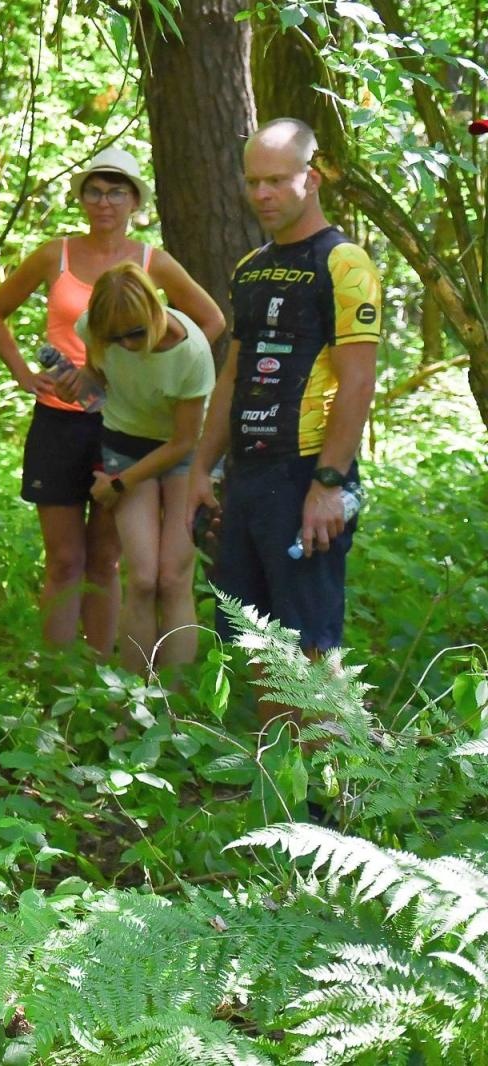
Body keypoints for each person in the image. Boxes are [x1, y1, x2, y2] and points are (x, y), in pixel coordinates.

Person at [0, 146, 225, 656]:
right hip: (62, 420)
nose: (104, 201)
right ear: (82, 198)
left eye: (116, 192)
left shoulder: (153, 262)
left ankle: (101, 666)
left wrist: (156, 378)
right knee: (64, 558)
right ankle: (57, 675)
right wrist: (25, 374)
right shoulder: (55, 254)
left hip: (127, 426)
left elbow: (210, 321)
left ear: (135, 200)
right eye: (94, 190)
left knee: (107, 558)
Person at [188, 117, 381, 726]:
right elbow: (232, 374)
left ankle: (342, 779)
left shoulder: (344, 262)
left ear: (311, 178)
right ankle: (283, 779)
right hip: (247, 474)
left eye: (276, 180)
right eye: (253, 182)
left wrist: (329, 483)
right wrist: (201, 467)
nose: (262, 194)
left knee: (312, 647)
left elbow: (358, 381)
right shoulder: (250, 267)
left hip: (307, 473)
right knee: (260, 644)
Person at [64, 263, 215, 672]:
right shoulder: (97, 327)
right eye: (115, 338)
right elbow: (99, 383)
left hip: (183, 453)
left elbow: (184, 441)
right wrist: (78, 385)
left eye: (135, 333)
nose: (127, 345)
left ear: (153, 312)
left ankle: (175, 698)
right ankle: (136, 695)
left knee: (173, 578)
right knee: (144, 578)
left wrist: (117, 484)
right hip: (125, 444)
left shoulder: (191, 352)